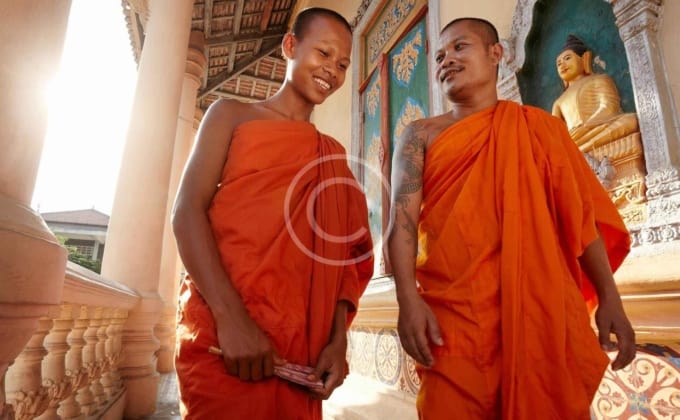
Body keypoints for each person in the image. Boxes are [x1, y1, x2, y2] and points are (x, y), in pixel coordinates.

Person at [388, 17, 636, 419]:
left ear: (496, 53)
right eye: (439, 56)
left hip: (540, 313)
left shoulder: (541, 129)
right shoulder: (420, 135)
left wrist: (610, 296)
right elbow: (401, 225)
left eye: (459, 47)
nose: (446, 60)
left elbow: (581, 218)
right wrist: (406, 299)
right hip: (453, 318)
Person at [171, 8, 373, 419]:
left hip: (301, 350)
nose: (332, 70)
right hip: (224, 337)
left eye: (343, 64)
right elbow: (187, 212)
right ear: (290, 46)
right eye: (324, 53)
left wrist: (338, 341)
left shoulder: (332, 157)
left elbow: (346, 260)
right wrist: (231, 320)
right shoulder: (230, 115)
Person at [552, 34, 639, 152]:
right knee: (559, 147)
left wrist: (585, 126)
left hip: (595, 129)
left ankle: (577, 152)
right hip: (574, 137)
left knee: (630, 121)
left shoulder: (599, 79)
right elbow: (555, 133)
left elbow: (609, 107)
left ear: (584, 58)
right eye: (558, 63)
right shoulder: (558, 102)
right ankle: (577, 151)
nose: (562, 65)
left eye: (567, 58)